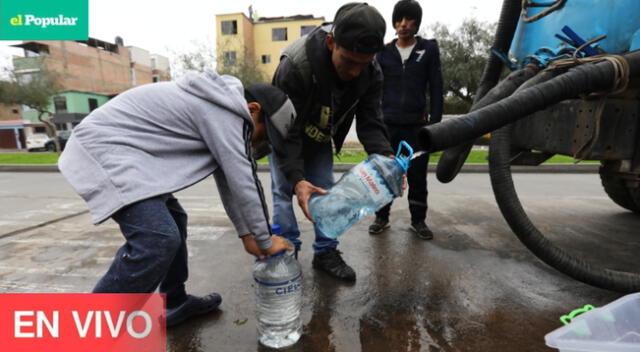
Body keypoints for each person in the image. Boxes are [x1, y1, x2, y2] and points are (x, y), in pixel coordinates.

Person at [58, 70, 293, 327]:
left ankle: (174, 300)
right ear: (253, 109)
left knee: (174, 219)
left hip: (131, 156)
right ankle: (90, 331)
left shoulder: (221, 107)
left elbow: (229, 179)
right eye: (265, 135)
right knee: (157, 239)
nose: (261, 144)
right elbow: (243, 178)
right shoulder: (226, 112)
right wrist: (265, 239)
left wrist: (249, 235)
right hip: (104, 149)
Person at [271, 2, 394, 282]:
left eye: (362, 65)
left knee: (326, 190)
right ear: (330, 43)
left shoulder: (371, 72)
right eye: (348, 62)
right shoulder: (295, 65)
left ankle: (325, 252)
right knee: (283, 191)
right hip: (285, 133)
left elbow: (371, 121)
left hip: (318, 137)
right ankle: (285, 255)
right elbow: (284, 130)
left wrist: (386, 160)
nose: (354, 72)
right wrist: (297, 178)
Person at [368, 0, 443, 240]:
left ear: (416, 23)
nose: (403, 24)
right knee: (385, 174)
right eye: (399, 19)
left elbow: (437, 89)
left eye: (409, 20)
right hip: (387, 125)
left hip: (417, 127)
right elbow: (373, 89)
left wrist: (436, 127)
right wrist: (374, 120)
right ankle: (381, 217)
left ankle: (418, 220)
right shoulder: (383, 53)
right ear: (394, 23)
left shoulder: (428, 50)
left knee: (417, 175)